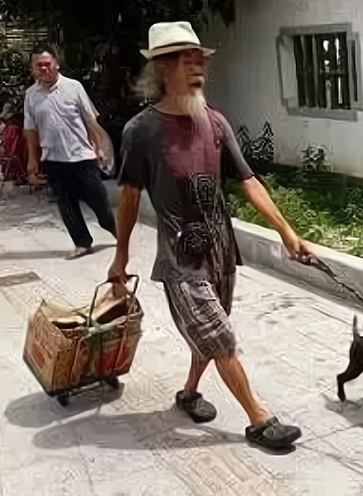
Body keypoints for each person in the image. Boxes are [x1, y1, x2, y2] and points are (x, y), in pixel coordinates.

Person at [107, 21, 316, 450]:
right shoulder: (141, 132)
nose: (198, 68)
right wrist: (120, 256)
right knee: (221, 338)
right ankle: (260, 419)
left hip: (221, 254)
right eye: (187, 61)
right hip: (180, 259)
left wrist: (288, 234)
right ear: (164, 69)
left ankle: (187, 394)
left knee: (209, 334)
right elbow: (128, 199)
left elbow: (249, 181)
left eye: (200, 59)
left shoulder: (215, 123)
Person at [24, 45, 117, 259]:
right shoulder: (31, 95)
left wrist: (100, 145)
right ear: (33, 68)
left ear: (56, 64)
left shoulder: (73, 87)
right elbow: (30, 129)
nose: (43, 68)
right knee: (67, 206)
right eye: (39, 65)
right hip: (53, 160)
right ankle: (82, 242)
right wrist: (32, 159)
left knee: (100, 203)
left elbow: (89, 119)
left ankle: (118, 233)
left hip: (82, 157)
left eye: (47, 64)